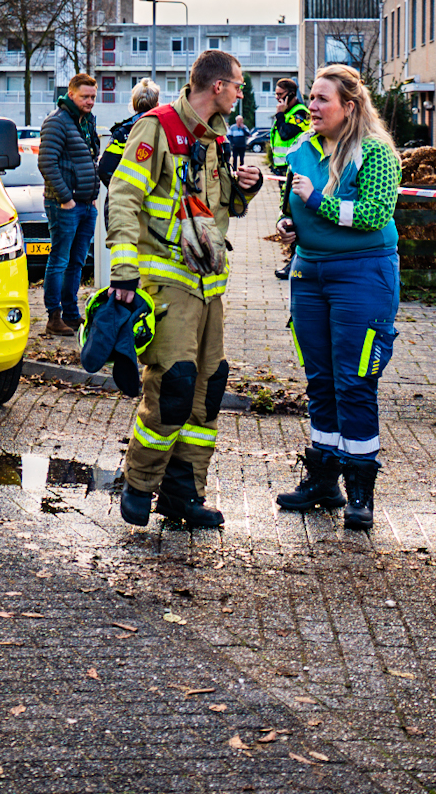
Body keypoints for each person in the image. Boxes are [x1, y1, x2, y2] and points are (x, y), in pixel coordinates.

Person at [105, 49, 263, 528]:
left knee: (207, 391)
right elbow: (123, 198)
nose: (241, 93)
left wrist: (245, 188)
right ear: (218, 86)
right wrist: (123, 271)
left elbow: (217, 209)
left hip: (209, 288)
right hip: (168, 286)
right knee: (172, 386)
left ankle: (182, 495)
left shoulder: (214, 138)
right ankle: (138, 484)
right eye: (238, 84)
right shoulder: (157, 127)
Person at [270, 64, 403, 532]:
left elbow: (373, 214)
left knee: (355, 381)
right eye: (310, 97)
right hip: (309, 274)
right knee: (320, 380)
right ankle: (323, 480)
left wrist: (316, 203)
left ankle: (360, 490)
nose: (312, 106)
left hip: (362, 275)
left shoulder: (376, 151)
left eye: (322, 98)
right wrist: (290, 224)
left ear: (349, 105)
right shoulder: (303, 150)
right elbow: (293, 204)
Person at [37, 74, 102, 337]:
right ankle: (54, 317)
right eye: (85, 97)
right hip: (64, 205)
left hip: (86, 204)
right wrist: (66, 198)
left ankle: (71, 315)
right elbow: (46, 163)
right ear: (71, 94)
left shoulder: (86, 121)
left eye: (93, 97)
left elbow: (90, 158)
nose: (90, 101)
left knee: (77, 262)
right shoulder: (57, 121)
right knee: (60, 260)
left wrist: (92, 195)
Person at [266, 77, 311, 281]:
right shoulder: (287, 113)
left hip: (295, 171)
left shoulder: (300, 113)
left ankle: (295, 261)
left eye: (280, 95)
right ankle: (293, 260)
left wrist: (280, 114)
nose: (277, 99)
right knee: (286, 212)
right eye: (276, 94)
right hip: (283, 170)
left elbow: (285, 134)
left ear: (291, 94)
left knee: (293, 213)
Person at [96, 78, 161, 188]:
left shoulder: (122, 133)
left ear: (133, 105)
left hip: (125, 196)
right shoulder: (165, 131)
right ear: (157, 105)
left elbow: (105, 170)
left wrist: (121, 191)